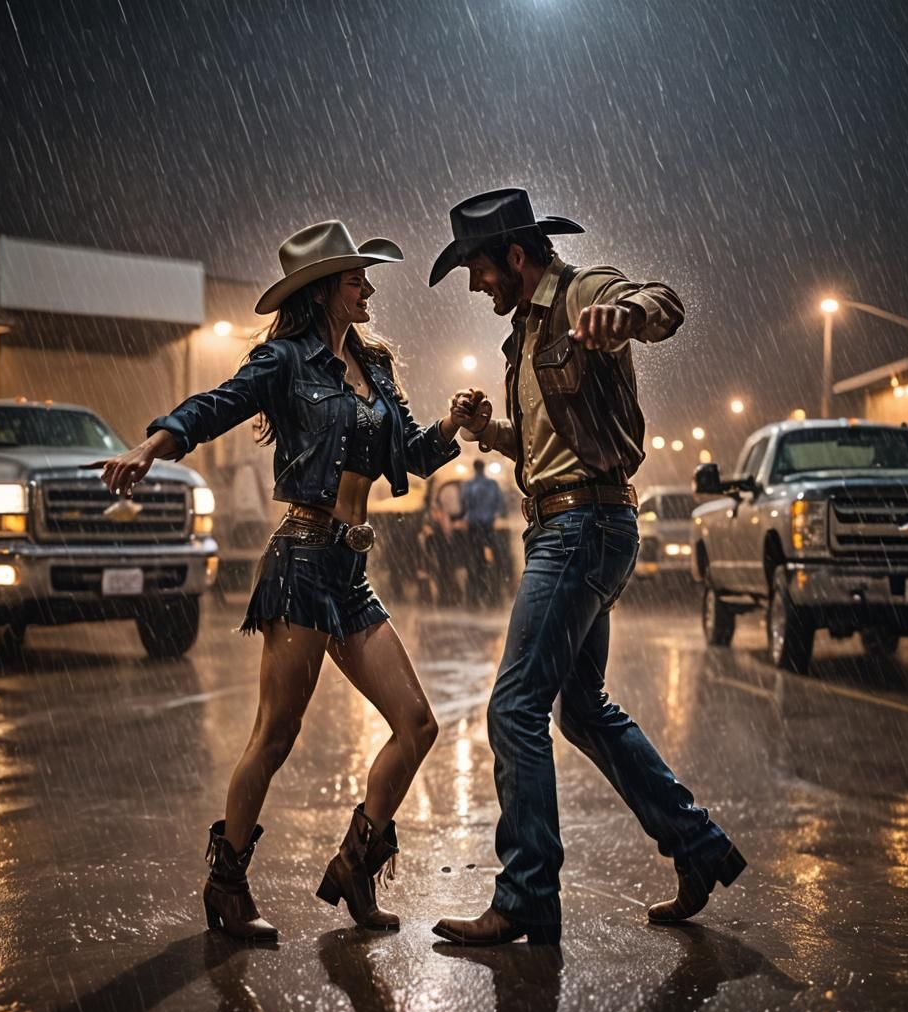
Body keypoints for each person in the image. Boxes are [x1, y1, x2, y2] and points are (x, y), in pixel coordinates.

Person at [95, 220, 483, 941]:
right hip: (301, 560)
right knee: (276, 734)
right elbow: (216, 405)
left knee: (417, 724)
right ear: (323, 290)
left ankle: (355, 863)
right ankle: (226, 884)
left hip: (350, 569)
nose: (367, 288)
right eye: (354, 278)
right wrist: (156, 443)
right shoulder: (284, 362)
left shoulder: (378, 369)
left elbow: (412, 460)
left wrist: (452, 425)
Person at [428, 188, 745, 946]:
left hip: (584, 527)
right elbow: (546, 448)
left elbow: (663, 301)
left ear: (513, 256)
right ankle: (697, 846)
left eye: (477, 269)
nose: (476, 287)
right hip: (568, 525)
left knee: (512, 708)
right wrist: (488, 431)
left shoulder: (584, 291)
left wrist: (625, 316)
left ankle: (528, 892)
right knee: (581, 708)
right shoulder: (525, 338)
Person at [460, 458, 506, 604]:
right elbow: (500, 505)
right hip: (488, 525)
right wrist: (492, 514)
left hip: (474, 526)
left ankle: (476, 591)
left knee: (475, 558)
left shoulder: (469, 485)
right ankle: (494, 590)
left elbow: (465, 503)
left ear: (474, 468)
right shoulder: (492, 485)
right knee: (495, 557)